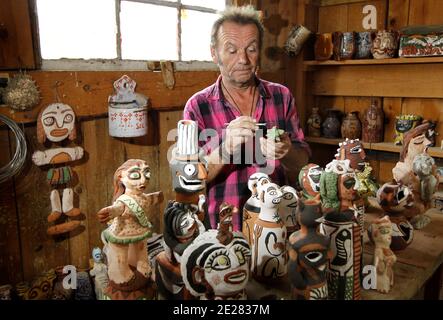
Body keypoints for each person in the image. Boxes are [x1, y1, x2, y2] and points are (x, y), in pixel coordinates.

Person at [183, 5, 310, 229]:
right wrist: (225, 148)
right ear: (214, 53)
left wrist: (286, 151)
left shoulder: (281, 96)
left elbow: (301, 163)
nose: (243, 59)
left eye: (251, 49)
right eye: (231, 50)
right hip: (226, 228)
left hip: (279, 223)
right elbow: (190, 178)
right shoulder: (198, 106)